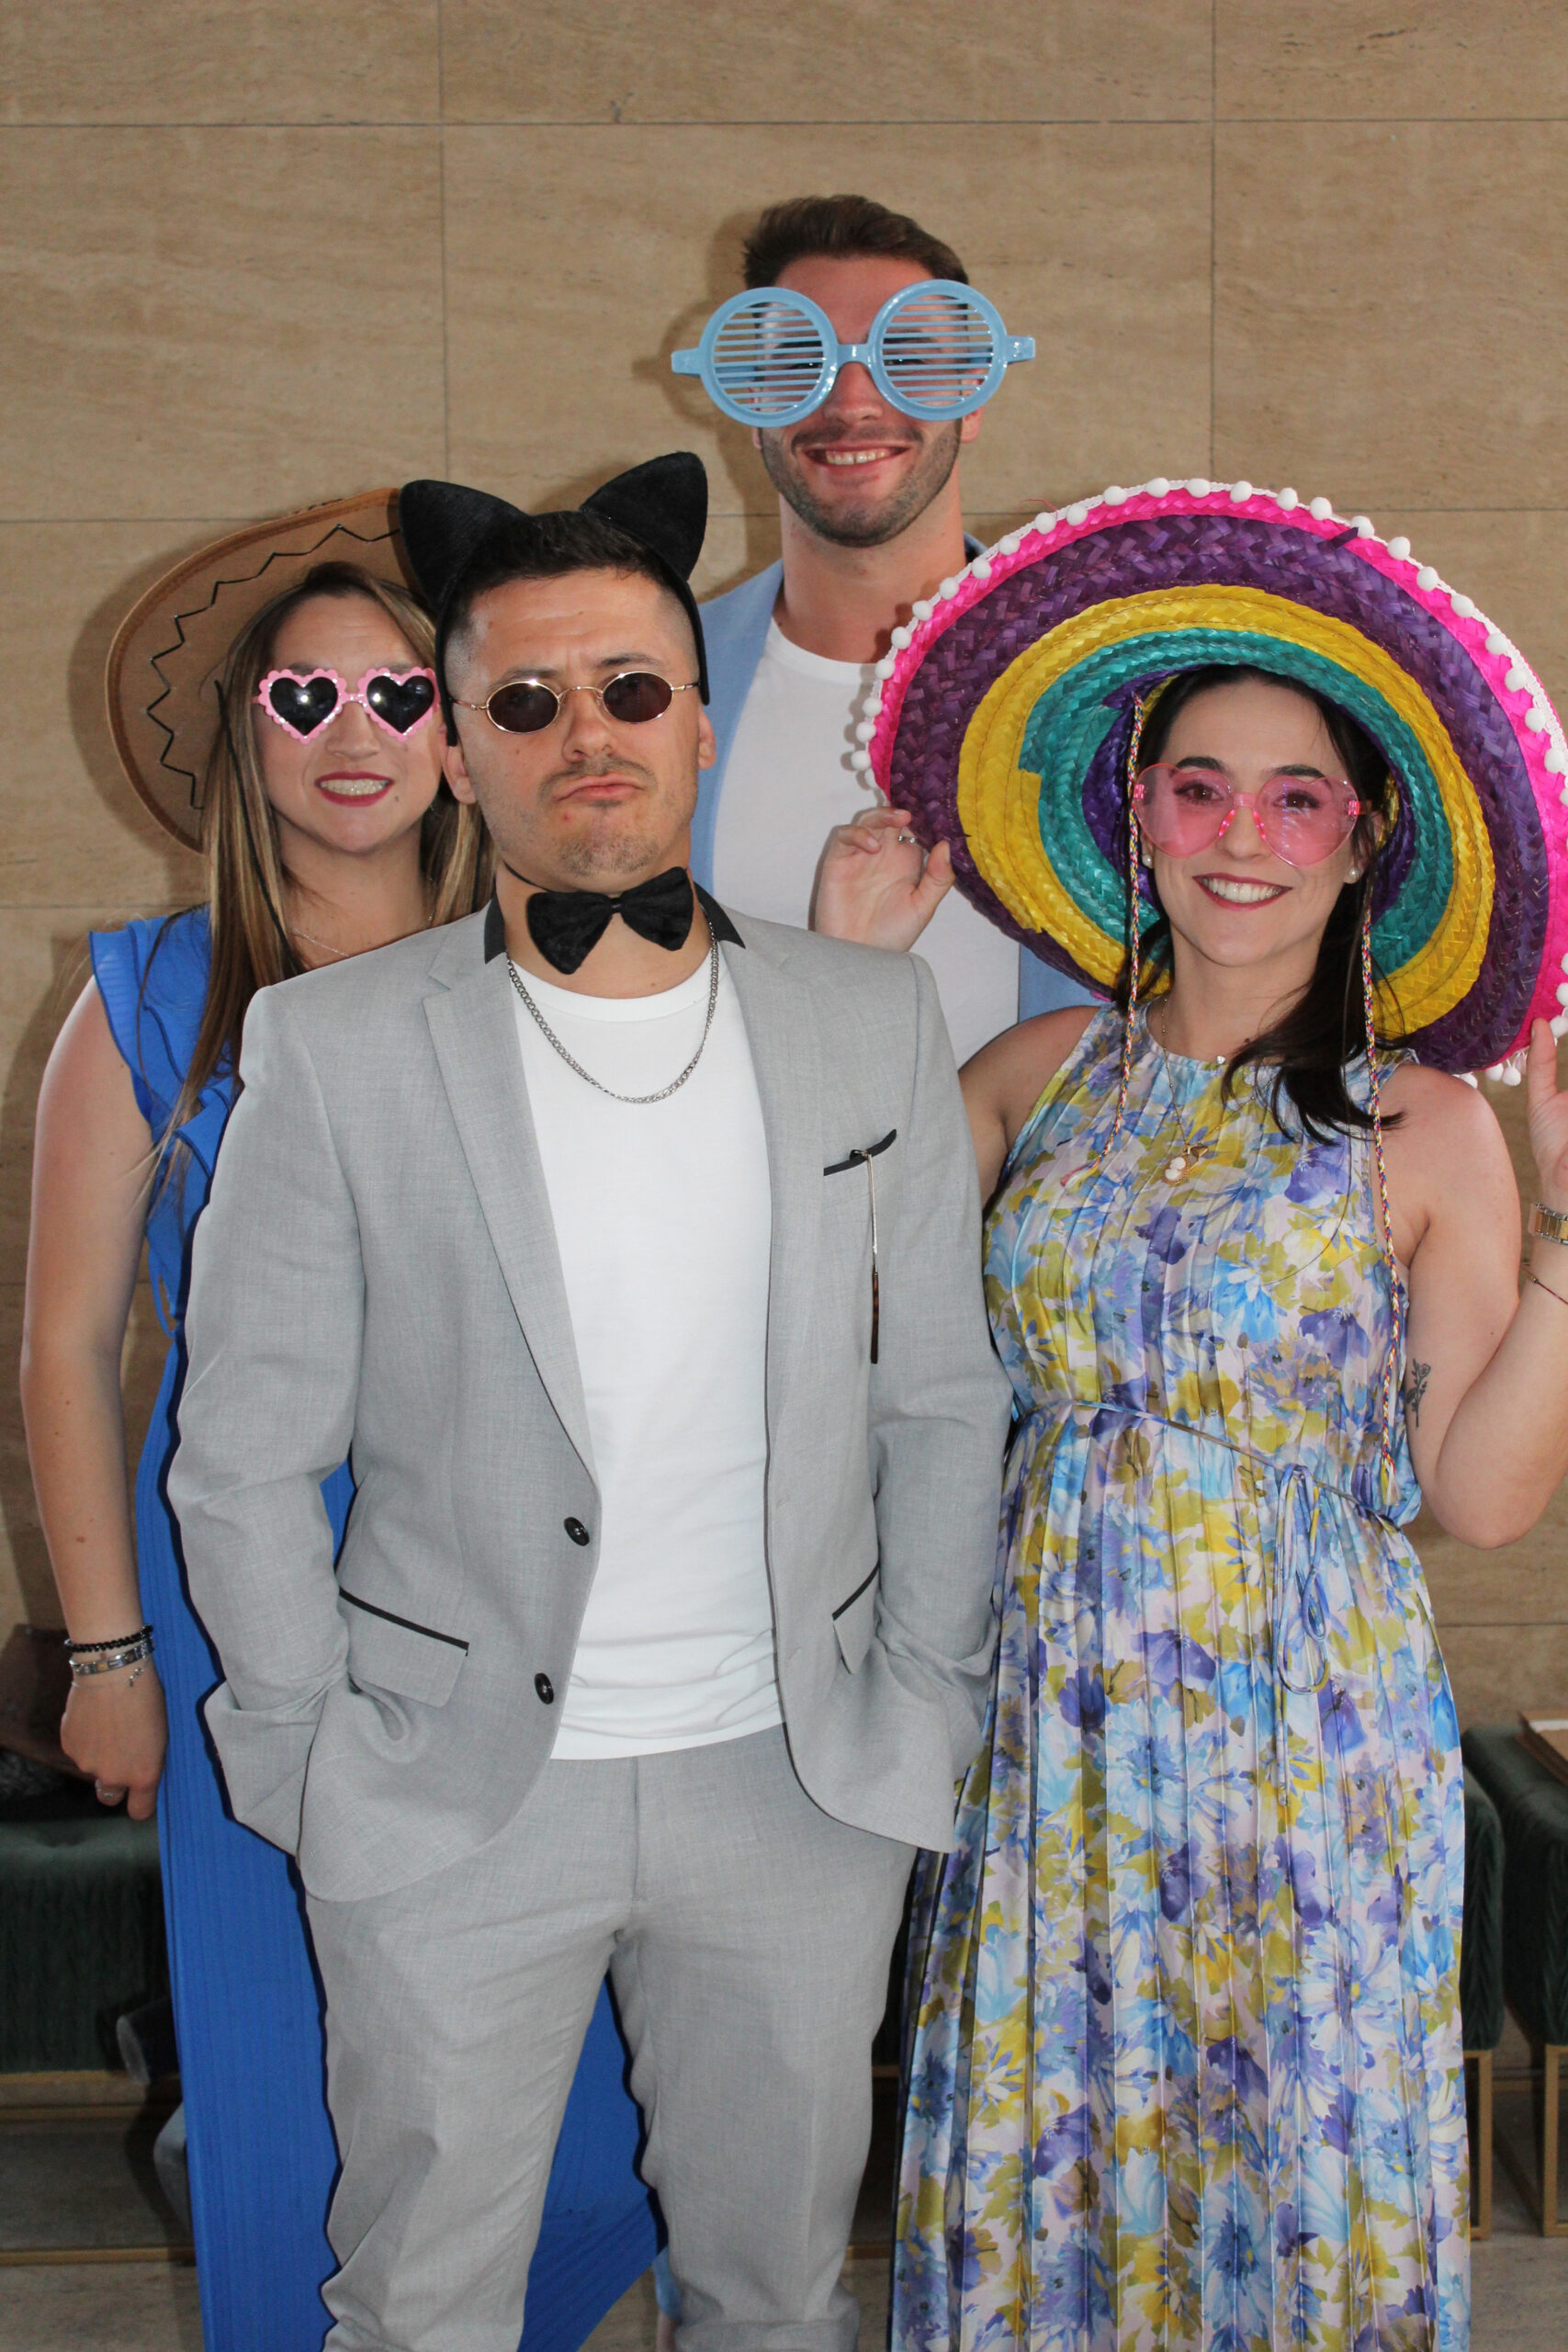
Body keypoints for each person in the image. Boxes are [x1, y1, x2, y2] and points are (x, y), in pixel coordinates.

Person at [164, 452, 1011, 2352]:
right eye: (526, 702)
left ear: (700, 719)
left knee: (775, 2300)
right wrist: (307, 1750)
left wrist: (924, 1700)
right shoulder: (332, 1044)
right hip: (449, 1796)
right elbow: (243, 1451)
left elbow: (940, 1403)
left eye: (631, 688)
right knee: (419, 2306)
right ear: (461, 753)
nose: (587, 736)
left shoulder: (866, 1019)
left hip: (796, 1782)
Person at [816, 479, 1568, 2349]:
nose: (1242, 834)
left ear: (1362, 837)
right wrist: (843, 985)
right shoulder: (1032, 1072)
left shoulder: (1424, 1123)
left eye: (1296, 796)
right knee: (1056, 2166)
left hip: (1308, 1754)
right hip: (1054, 1734)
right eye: (1199, 785)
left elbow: (1479, 1497)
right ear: (1132, 812)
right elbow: (825, 1288)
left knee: (1282, 2176)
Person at [19, 497, 656, 2352]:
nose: (353, 731)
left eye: (398, 692)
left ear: (461, 732)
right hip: (247, 1596)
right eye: (304, 695)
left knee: (579, 2098)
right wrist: (106, 1653)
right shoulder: (144, 997)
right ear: (247, 734)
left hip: (522, 1586)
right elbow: (63, 1347)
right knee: (297, 2064)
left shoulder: (563, 977)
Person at [677, 190, 1085, 1061]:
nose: (853, 398)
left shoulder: (1092, 679)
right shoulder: (659, 686)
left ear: (974, 395)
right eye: (800, 359)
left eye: (907, 358)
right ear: (748, 401)